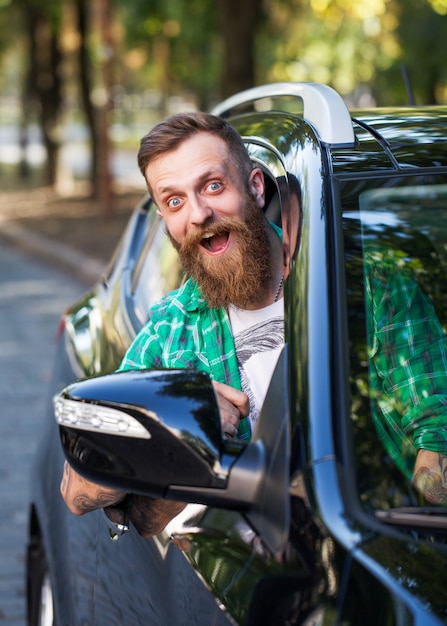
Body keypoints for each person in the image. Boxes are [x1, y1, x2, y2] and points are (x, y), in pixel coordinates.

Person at [60, 112, 290, 536]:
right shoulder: (170, 329)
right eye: (175, 201)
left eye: (213, 186)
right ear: (166, 222)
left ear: (256, 187)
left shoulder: (366, 287)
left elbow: (431, 430)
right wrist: (180, 420)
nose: (199, 214)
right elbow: (75, 494)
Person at [364, 244, 447, 504]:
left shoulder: (371, 272)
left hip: (385, 517)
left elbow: (432, 415)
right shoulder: (231, 325)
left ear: (259, 198)